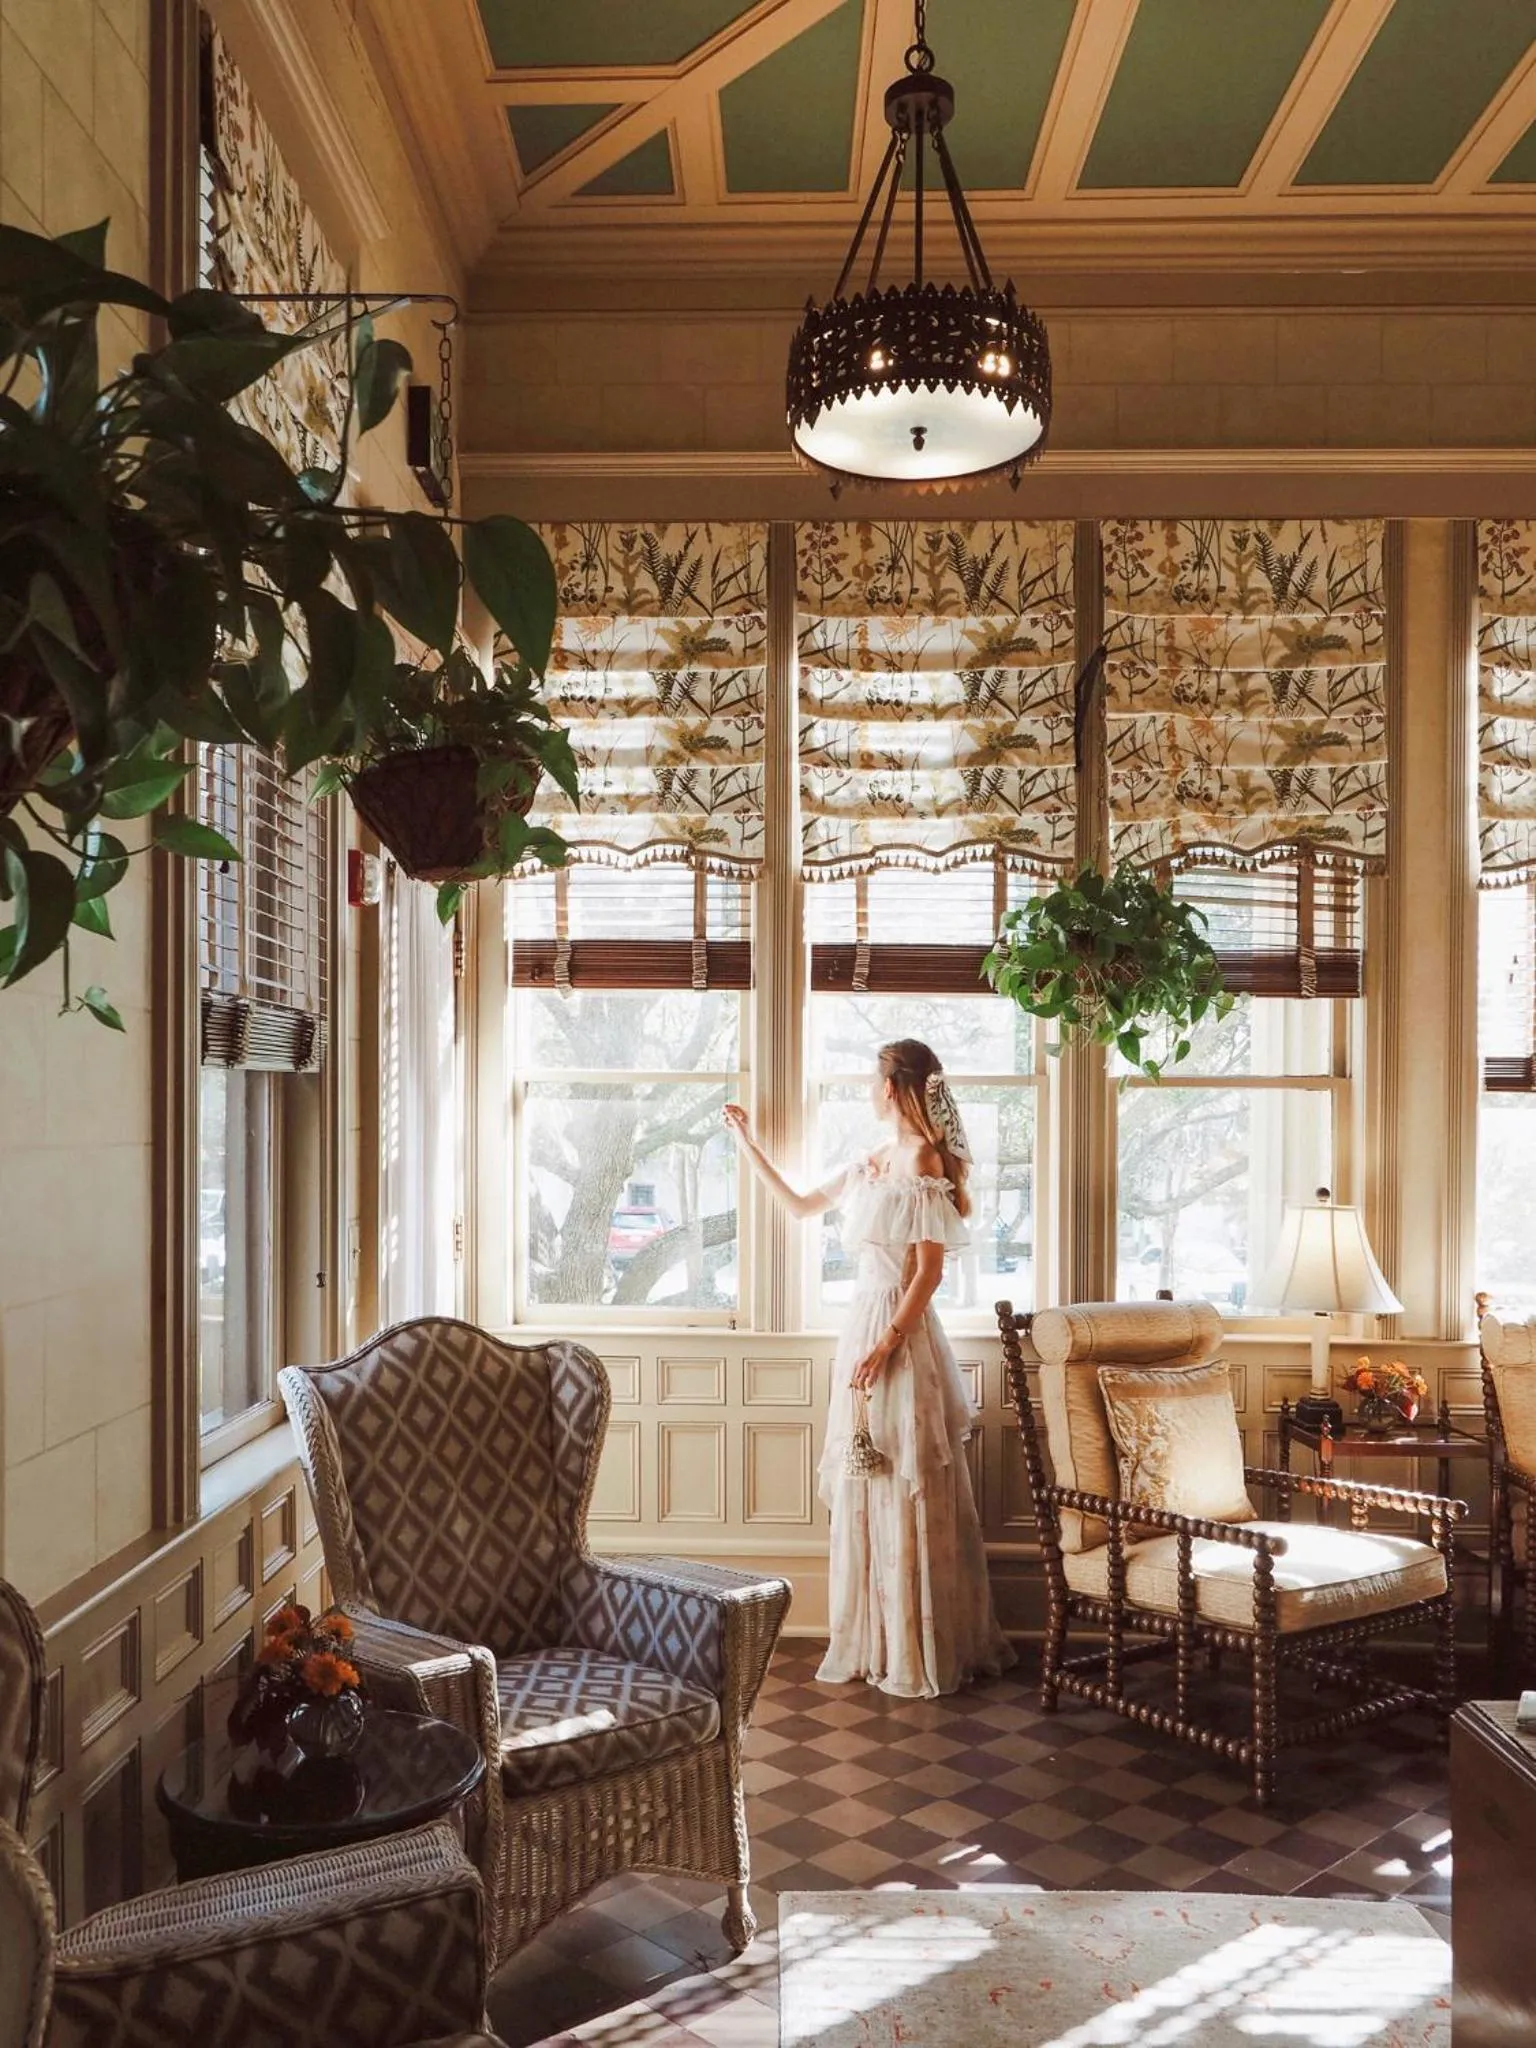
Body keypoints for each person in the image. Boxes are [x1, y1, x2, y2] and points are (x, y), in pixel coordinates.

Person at [723, 1039, 1013, 1700]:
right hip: (862, 1324)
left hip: (898, 1333)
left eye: (872, 1078)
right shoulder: (874, 1159)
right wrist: (746, 1142)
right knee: (865, 1473)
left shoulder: (921, 1159)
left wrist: (886, 1344)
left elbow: (931, 1270)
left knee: (903, 1472)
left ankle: (917, 1644)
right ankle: (871, 1637)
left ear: (893, 1087)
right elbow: (799, 1204)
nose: (866, 1087)